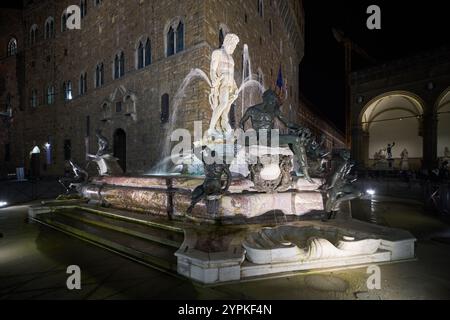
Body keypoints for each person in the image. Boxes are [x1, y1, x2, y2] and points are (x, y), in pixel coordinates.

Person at [208, 33, 240, 136]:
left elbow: (231, 74)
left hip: (230, 85)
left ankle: (223, 126)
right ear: (228, 42)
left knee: (226, 110)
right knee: (223, 104)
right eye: (233, 45)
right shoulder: (217, 53)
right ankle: (211, 128)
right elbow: (212, 70)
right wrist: (214, 80)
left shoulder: (231, 59)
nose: (234, 48)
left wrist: (235, 87)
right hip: (222, 84)